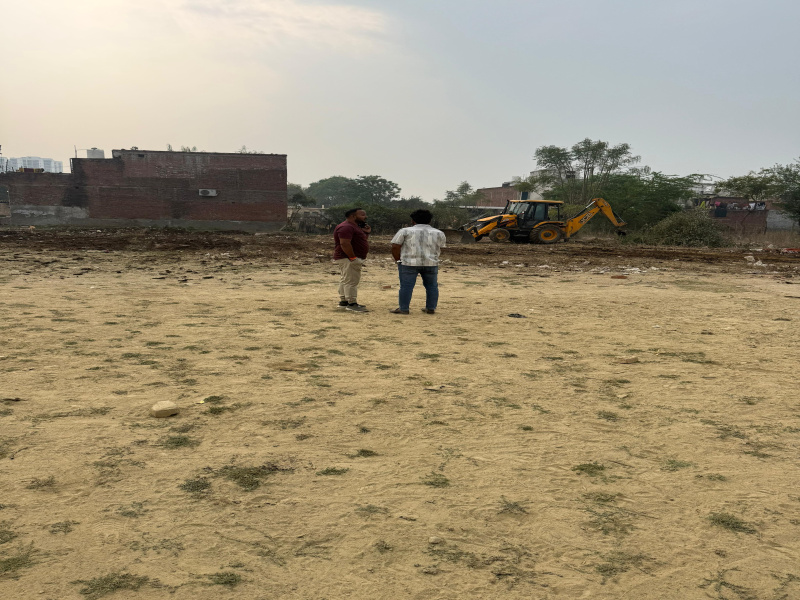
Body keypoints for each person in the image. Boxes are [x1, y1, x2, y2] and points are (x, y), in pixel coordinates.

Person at [389, 209, 446, 315]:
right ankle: (431, 308)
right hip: (431, 263)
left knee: (406, 286)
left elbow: (395, 246)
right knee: (432, 286)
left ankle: (404, 308)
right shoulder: (439, 233)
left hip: (408, 263)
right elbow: (441, 247)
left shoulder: (404, 231)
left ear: (412, 220)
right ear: (430, 220)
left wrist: (398, 260)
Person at [333, 207, 371, 312]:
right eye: (362, 215)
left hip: (348, 258)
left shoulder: (354, 227)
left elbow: (359, 240)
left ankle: (344, 301)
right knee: (351, 281)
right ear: (353, 216)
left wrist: (366, 232)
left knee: (346, 279)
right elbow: (344, 243)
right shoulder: (346, 227)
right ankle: (352, 303)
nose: (365, 217)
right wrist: (353, 258)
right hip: (348, 258)